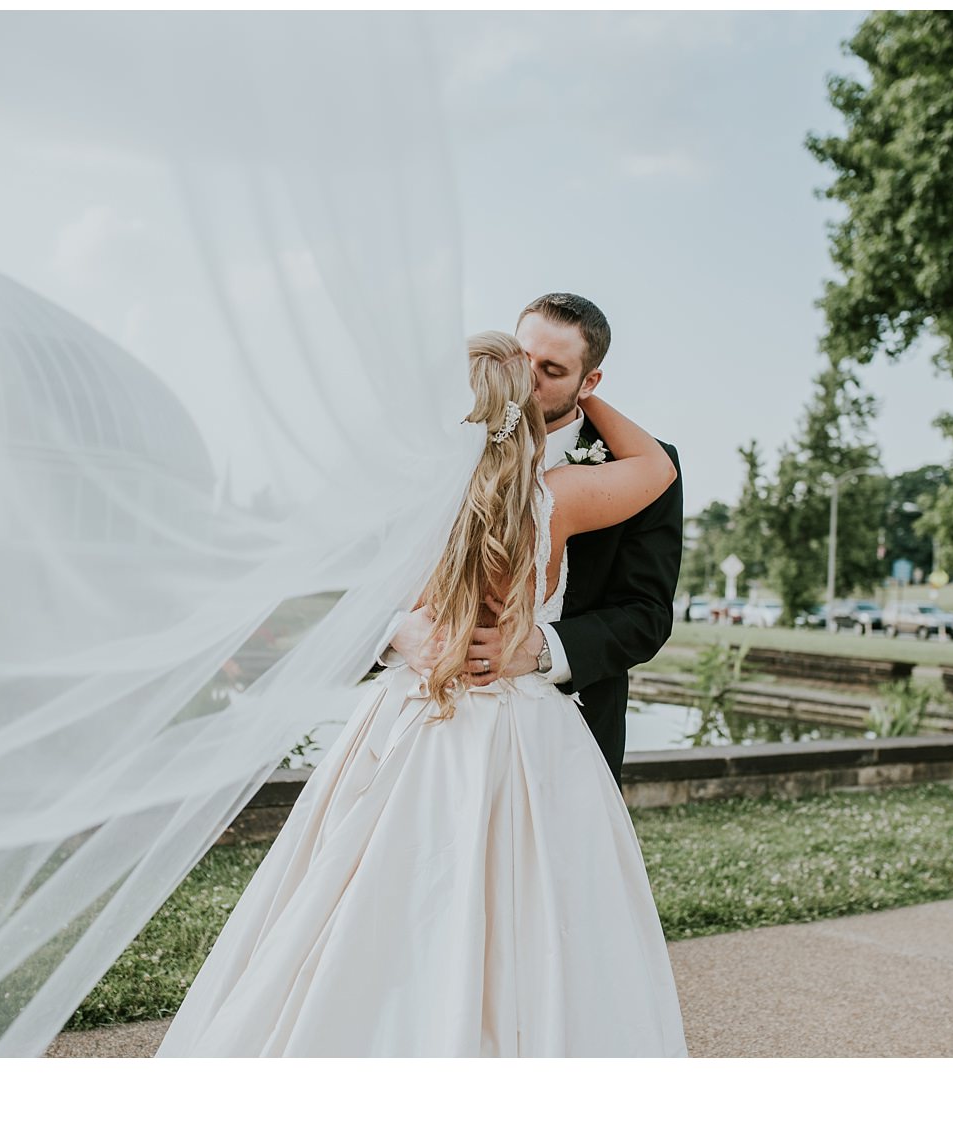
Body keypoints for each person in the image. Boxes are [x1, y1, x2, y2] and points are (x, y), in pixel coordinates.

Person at [154, 331, 687, 1057]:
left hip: (412, 715)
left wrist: (411, 630)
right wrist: (583, 393)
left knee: (372, 901)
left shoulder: (416, 502)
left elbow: (348, 592)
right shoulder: (553, 501)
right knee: (530, 914)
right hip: (517, 729)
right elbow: (655, 467)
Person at [393, 293, 685, 786]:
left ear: (588, 381)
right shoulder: (435, 458)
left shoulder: (620, 464)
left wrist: (540, 646)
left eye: (552, 370)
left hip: (568, 739)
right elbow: (369, 584)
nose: (528, 380)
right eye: (521, 358)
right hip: (429, 713)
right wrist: (397, 633)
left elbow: (646, 615)